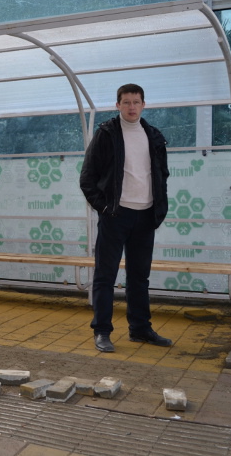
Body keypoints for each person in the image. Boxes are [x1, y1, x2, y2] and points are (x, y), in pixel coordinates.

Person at [79, 83, 171, 353]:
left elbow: (162, 174)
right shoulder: (107, 134)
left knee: (139, 277)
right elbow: (87, 177)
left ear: (144, 105)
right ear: (117, 105)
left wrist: (159, 207)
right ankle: (102, 331)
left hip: (146, 215)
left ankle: (140, 329)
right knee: (105, 276)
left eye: (136, 102)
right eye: (127, 102)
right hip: (116, 215)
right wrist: (105, 208)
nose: (132, 107)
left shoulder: (153, 135)